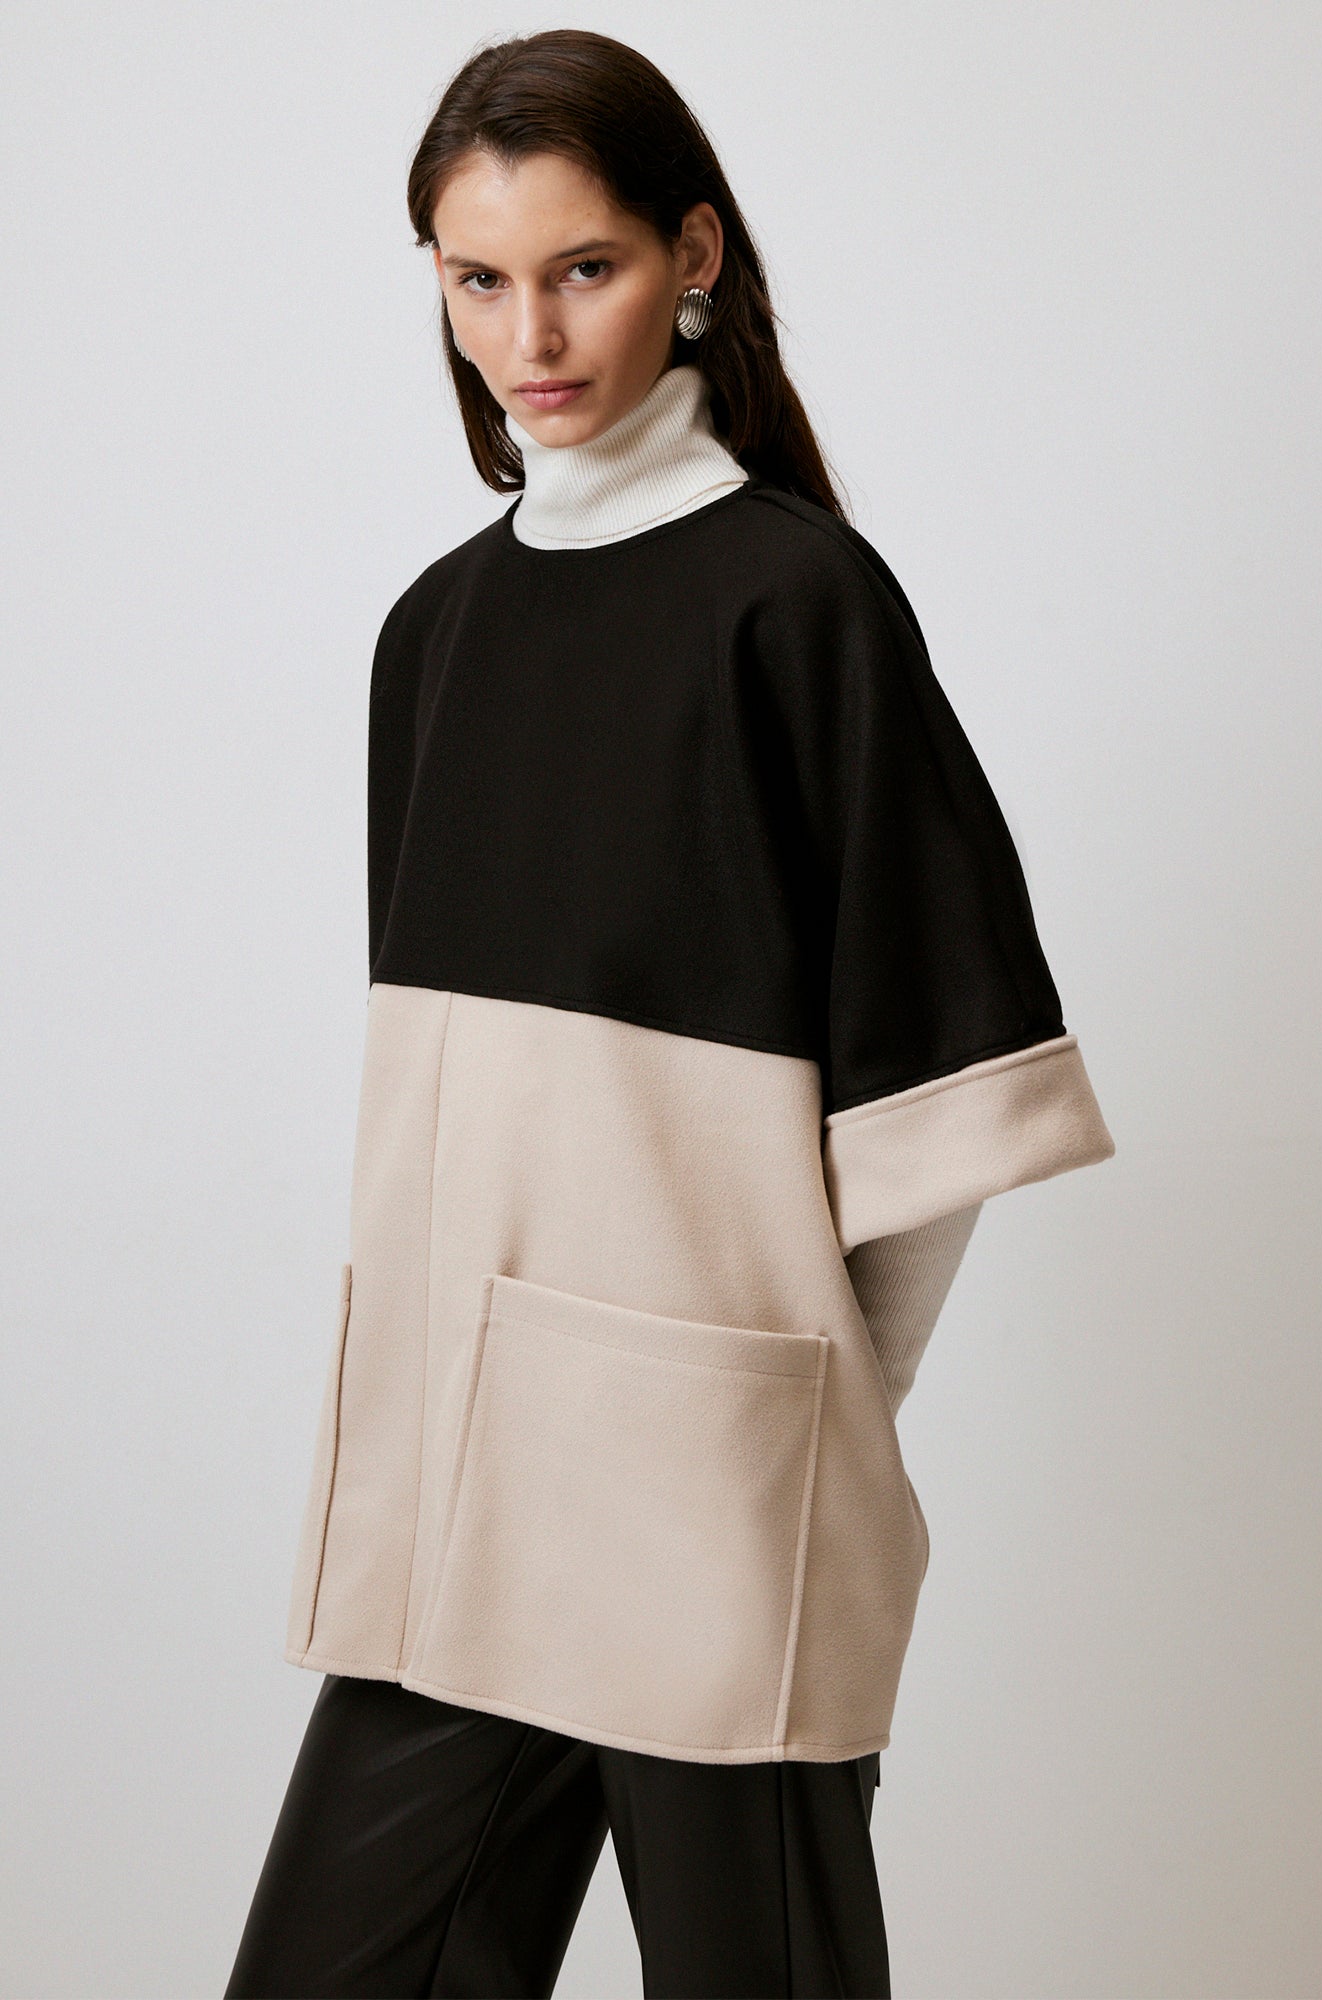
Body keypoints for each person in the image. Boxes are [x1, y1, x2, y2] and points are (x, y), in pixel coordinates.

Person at [224, 28, 1115, 2000]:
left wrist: (794, 1429)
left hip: (711, 1488)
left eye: (583, 267)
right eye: (477, 280)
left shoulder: (798, 606)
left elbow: (934, 1093)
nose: (527, 335)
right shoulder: (433, 636)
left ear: (692, 254)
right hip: (458, 1482)